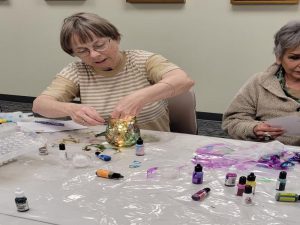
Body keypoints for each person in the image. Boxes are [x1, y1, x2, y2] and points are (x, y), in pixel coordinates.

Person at [32, 12, 194, 132]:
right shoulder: (77, 71)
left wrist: (139, 97)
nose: (94, 54)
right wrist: (70, 109)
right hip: (106, 150)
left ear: (116, 38)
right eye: (82, 50)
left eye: (99, 45)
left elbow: (183, 80)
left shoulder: (142, 60)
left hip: (154, 146)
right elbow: (40, 105)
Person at [222, 21, 300, 146]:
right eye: (294, 58)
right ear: (279, 57)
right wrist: (254, 129)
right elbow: (231, 121)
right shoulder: (259, 82)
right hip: (266, 156)